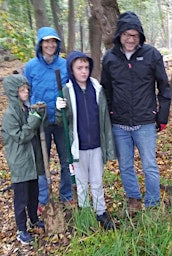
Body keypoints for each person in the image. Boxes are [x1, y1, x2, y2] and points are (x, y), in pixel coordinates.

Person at [100, 11, 171, 214]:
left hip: (145, 122)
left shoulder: (151, 55)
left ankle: (152, 204)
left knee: (150, 166)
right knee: (125, 166)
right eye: (126, 35)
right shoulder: (110, 58)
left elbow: (164, 87)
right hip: (119, 123)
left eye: (134, 35)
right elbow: (106, 89)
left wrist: (162, 115)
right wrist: (109, 115)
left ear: (139, 36)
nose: (131, 39)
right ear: (119, 35)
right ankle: (133, 200)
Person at [56, 51, 116, 230]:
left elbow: (104, 117)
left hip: (96, 144)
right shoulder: (67, 91)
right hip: (78, 146)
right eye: (79, 68)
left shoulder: (97, 89)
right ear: (71, 70)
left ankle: (101, 212)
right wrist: (60, 110)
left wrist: (107, 144)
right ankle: (85, 211)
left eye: (86, 67)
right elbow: (63, 122)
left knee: (97, 181)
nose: (83, 71)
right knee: (81, 182)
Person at [24, 27, 74, 212]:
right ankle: (43, 200)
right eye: (46, 42)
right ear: (40, 44)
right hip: (40, 121)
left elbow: (71, 89)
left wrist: (66, 104)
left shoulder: (64, 65)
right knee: (41, 161)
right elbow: (25, 91)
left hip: (61, 120)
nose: (50, 45)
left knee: (66, 159)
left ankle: (67, 195)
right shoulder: (31, 67)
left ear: (57, 44)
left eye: (53, 42)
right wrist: (31, 110)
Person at [1, 74, 46, 244]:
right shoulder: (10, 115)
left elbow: (34, 129)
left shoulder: (26, 109)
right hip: (20, 163)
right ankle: (21, 229)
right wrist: (34, 119)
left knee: (34, 194)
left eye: (26, 88)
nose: (26, 92)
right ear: (13, 93)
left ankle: (34, 220)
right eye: (21, 90)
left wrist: (38, 114)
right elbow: (21, 137)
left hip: (32, 161)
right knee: (21, 199)